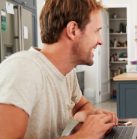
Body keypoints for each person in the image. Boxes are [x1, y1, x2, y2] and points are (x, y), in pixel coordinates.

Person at [0, 0, 117, 138]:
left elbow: (82, 106)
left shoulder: (67, 73)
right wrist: (83, 136)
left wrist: (91, 118)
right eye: (97, 31)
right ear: (73, 30)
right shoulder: (22, 69)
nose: (100, 41)